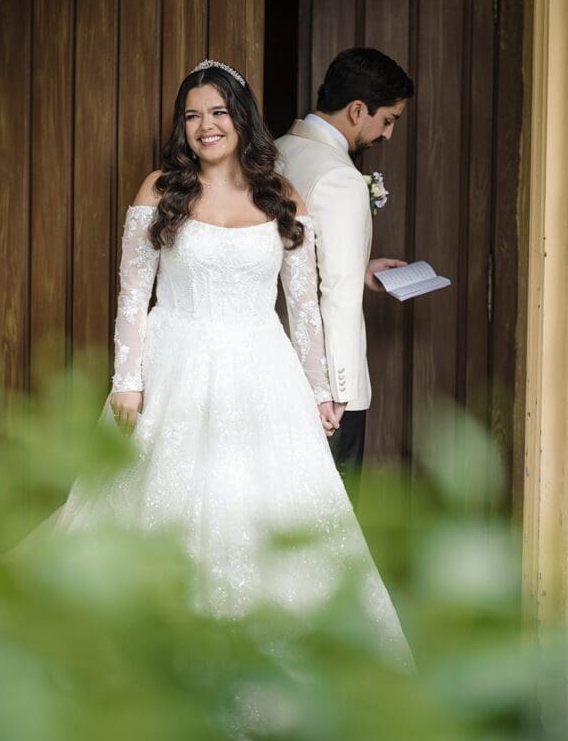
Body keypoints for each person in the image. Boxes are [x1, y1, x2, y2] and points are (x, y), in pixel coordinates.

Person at [43, 59, 413, 670]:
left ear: (241, 119)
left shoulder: (282, 198)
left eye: (217, 112)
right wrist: (127, 383)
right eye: (192, 116)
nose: (204, 126)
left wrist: (321, 389)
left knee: (256, 509)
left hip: (260, 371)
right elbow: (133, 296)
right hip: (174, 366)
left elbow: (303, 310)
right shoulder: (161, 189)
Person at [275, 48, 414, 504]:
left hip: (271, 359)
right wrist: (338, 392)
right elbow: (335, 295)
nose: (388, 134)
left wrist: (361, 268)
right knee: (330, 516)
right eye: (388, 119)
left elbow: (291, 259)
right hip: (326, 386)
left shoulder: (275, 152)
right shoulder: (338, 176)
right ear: (357, 110)